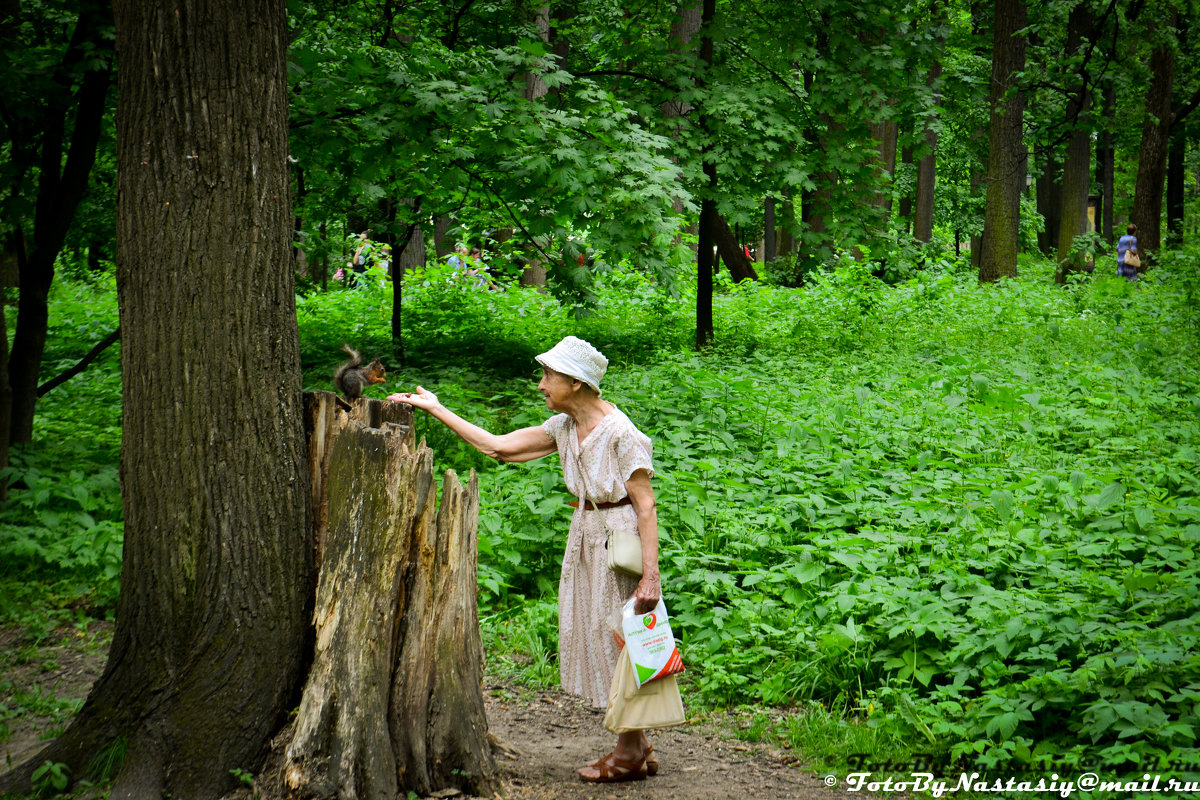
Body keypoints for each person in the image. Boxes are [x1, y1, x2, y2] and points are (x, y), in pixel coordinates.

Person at [387, 336, 663, 783]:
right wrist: (437, 409)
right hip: (585, 536)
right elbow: (498, 447)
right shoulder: (565, 427)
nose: (541, 385)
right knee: (597, 631)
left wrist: (650, 577)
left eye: (548, 376)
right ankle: (637, 741)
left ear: (575, 383)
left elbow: (645, 505)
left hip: (620, 543)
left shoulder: (621, 433)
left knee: (620, 636)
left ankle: (630, 750)